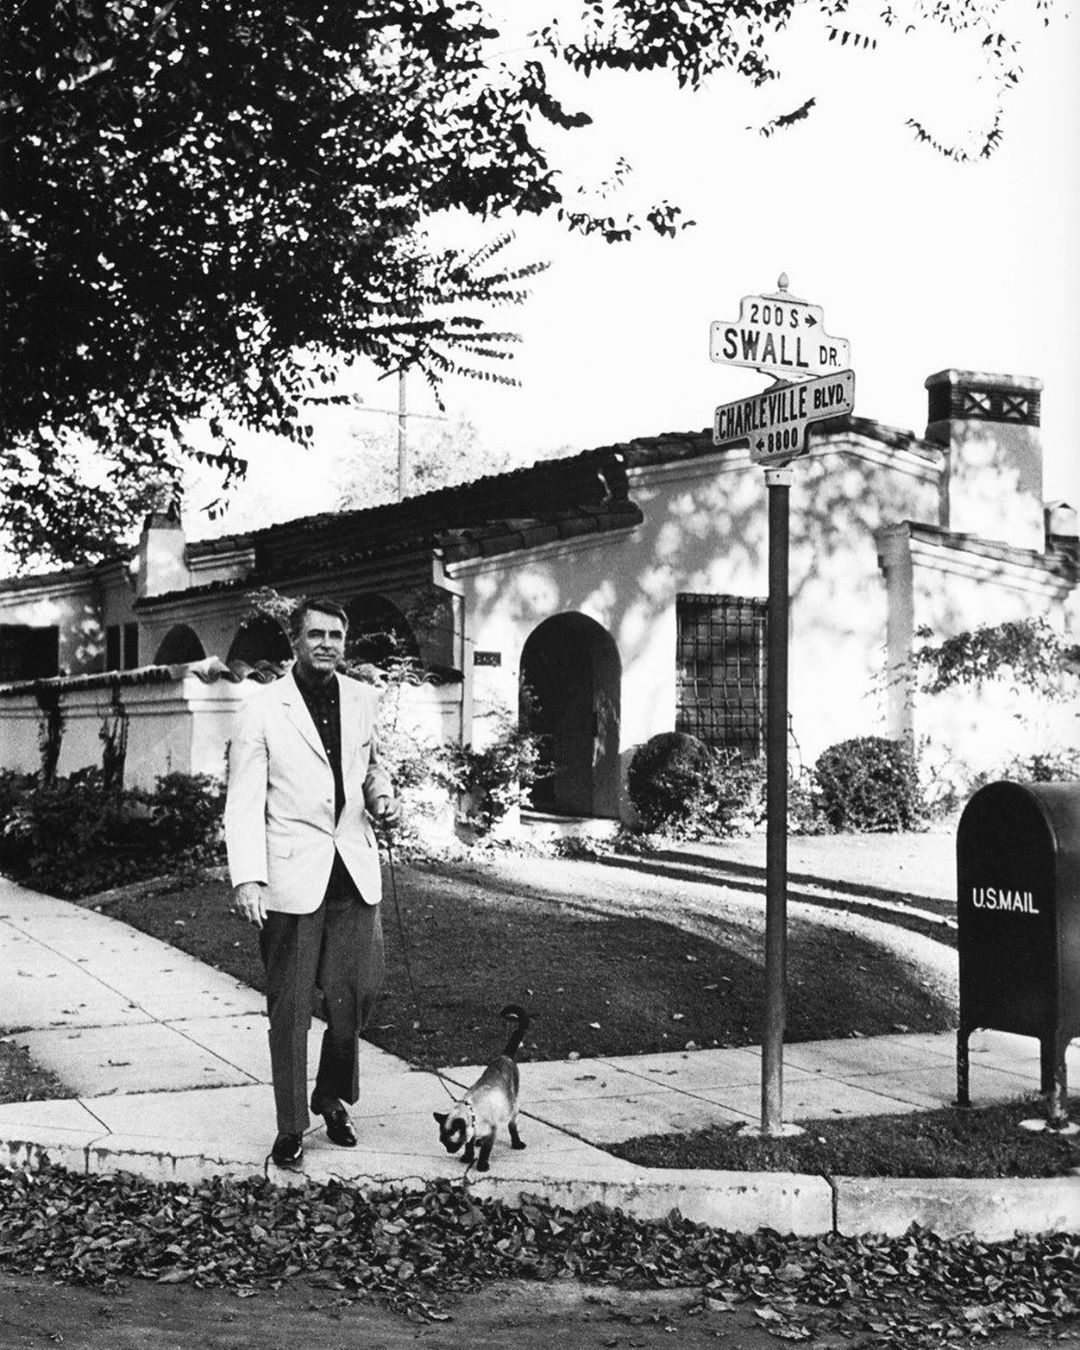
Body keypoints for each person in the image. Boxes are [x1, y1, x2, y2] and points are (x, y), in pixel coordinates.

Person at [225, 596, 402, 1169]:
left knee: (359, 994)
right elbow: (244, 801)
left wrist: (382, 796)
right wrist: (248, 878)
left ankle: (330, 1096)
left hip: (352, 869)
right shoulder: (262, 708)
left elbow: (372, 766)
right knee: (292, 1008)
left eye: (336, 636)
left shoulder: (364, 699)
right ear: (294, 641)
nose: (328, 644)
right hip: (290, 876)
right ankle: (290, 1126)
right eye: (316, 635)